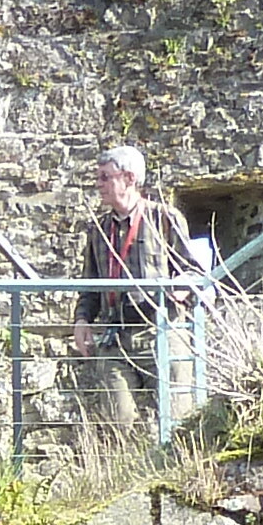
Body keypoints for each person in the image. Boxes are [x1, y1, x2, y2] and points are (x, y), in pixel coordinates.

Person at [72, 142, 201, 442]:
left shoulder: (164, 219)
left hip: (162, 331)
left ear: (129, 179)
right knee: (118, 424)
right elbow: (89, 284)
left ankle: (180, 480)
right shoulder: (98, 229)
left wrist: (182, 287)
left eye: (105, 177)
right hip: (116, 336)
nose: (98, 185)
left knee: (179, 420)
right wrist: (81, 320)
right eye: (98, 177)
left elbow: (195, 272)